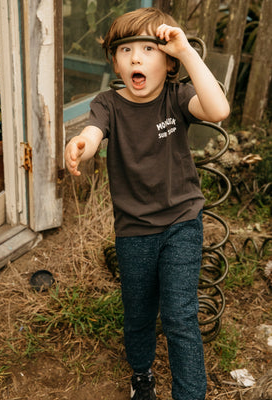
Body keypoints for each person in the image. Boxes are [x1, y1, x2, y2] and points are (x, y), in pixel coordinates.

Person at [65, 7, 230, 400]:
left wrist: (187, 52)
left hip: (181, 223)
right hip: (134, 231)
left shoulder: (177, 98)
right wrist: (82, 145)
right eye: (125, 50)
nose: (136, 57)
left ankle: (190, 394)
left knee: (179, 315)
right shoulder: (108, 104)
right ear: (116, 63)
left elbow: (219, 110)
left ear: (168, 63)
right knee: (139, 314)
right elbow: (92, 130)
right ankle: (142, 376)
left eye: (148, 49)